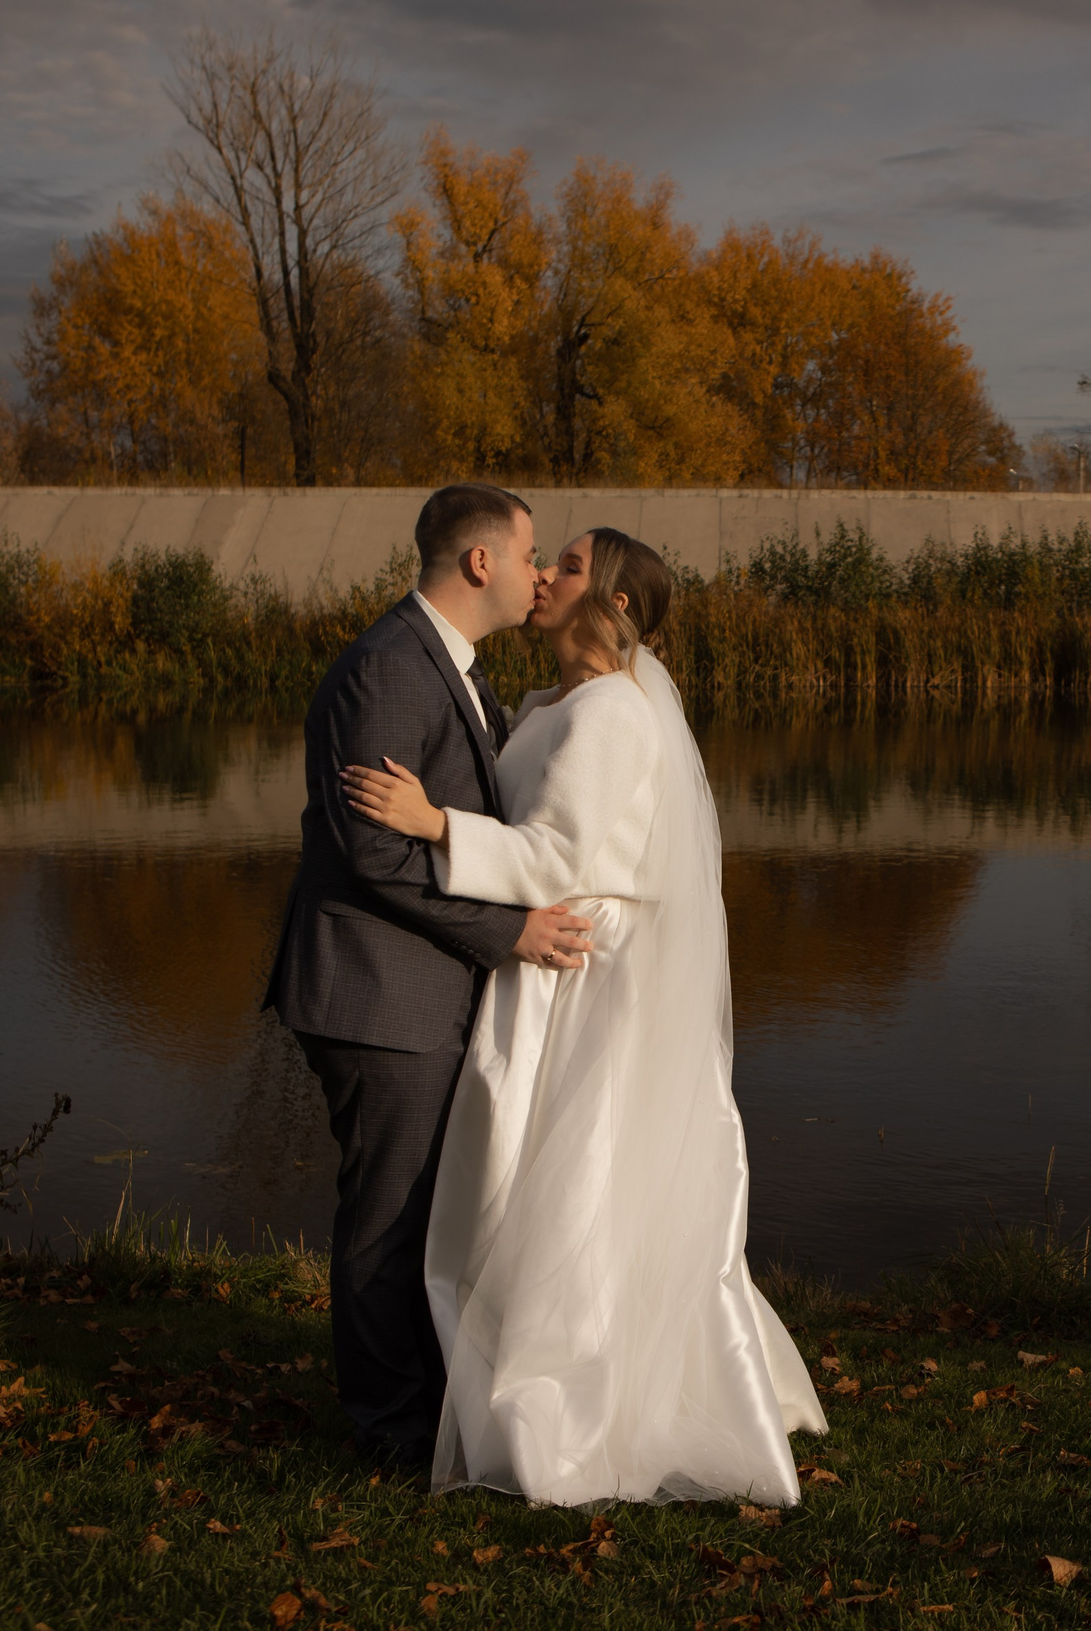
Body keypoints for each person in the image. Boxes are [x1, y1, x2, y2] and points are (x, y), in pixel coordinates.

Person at [341, 526, 824, 1505]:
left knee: (576, 1182)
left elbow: (559, 858)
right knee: (526, 1179)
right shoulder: (548, 704)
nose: (545, 576)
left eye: (566, 565)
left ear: (611, 603)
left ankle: (570, 1401)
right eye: (547, 558)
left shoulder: (609, 713)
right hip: (549, 957)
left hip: (583, 969)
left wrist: (432, 824)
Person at [263, 483, 593, 1472]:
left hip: (414, 989)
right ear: (481, 562)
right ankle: (391, 1437)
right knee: (386, 1221)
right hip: (376, 992)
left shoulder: (454, 669)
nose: (539, 575)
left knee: (417, 1214)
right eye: (530, 555)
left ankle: (424, 1408)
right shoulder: (390, 673)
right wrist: (511, 933)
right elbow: (375, 856)